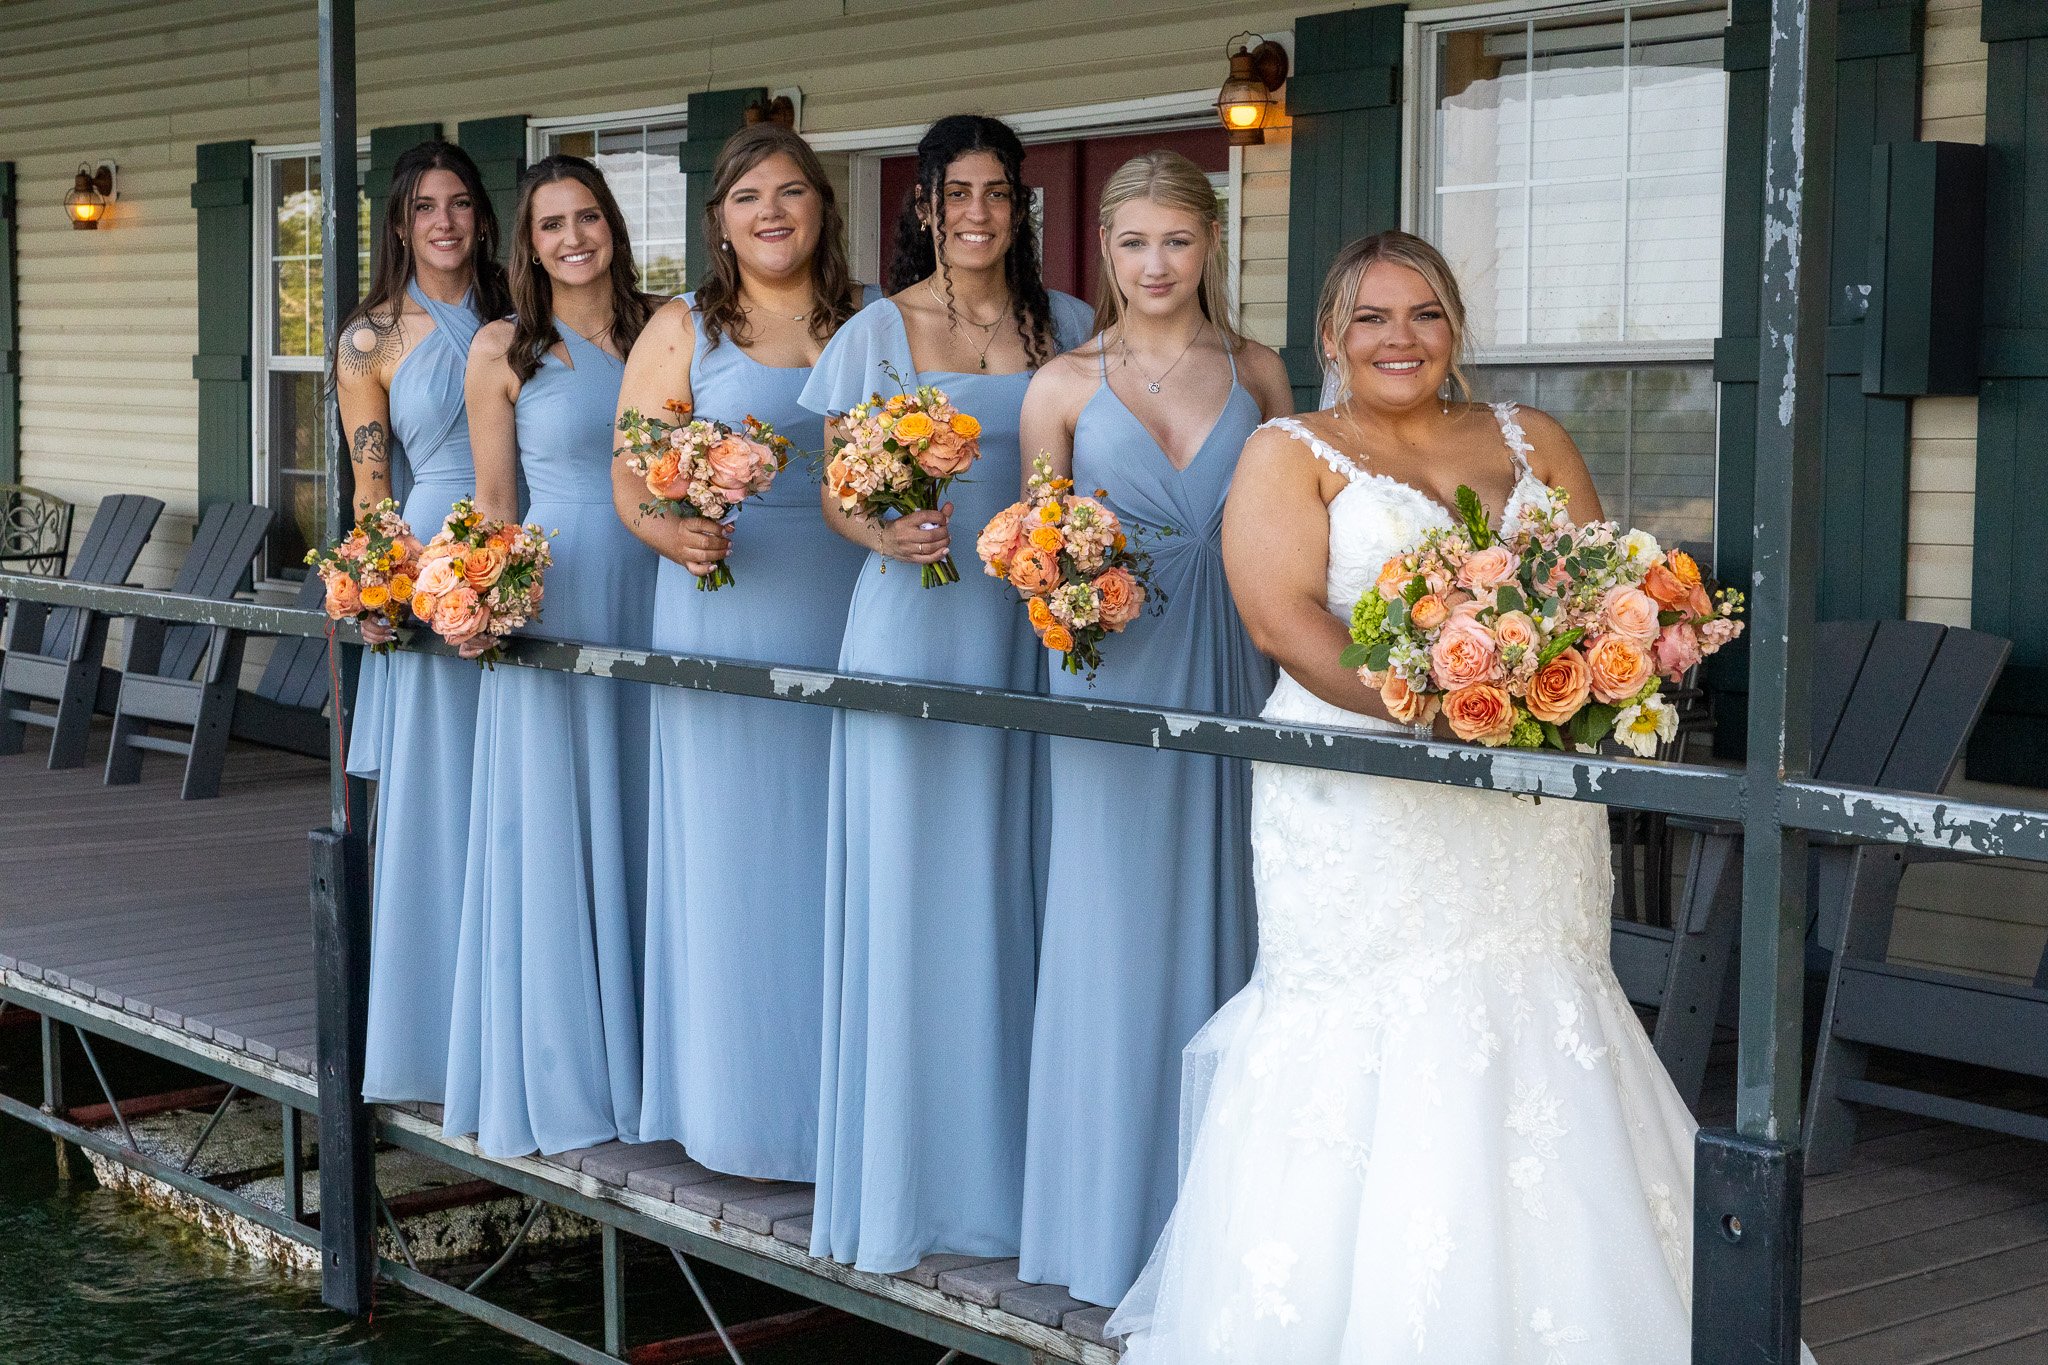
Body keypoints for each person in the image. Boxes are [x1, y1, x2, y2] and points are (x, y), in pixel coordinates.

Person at [1108, 231, 1805, 1363]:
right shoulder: (1291, 451)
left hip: (1523, 803)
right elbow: (1281, 622)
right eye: (1372, 318)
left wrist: (1545, 697)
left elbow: (1595, 588)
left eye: (1423, 314)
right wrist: (1429, 710)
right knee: (1372, 1030)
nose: (1399, 338)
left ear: (1454, 331)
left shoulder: (1532, 439)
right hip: (1360, 799)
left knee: (1542, 1008)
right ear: (1331, 335)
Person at [801, 113, 1093, 1273]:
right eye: (954, 192)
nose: (976, 213)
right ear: (921, 205)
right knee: (919, 888)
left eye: (996, 193)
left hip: (1029, 629)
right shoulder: (878, 330)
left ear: (1020, 205)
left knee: (1023, 877)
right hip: (916, 617)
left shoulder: (1068, 325)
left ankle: (1029, 1167)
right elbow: (834, 494)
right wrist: (883, 524)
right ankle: (916, 1180)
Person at [1012, 149, 1290, 1308]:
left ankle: (1232, 1226)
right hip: (1111, 680)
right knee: (1112, 933)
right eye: (1132, 243)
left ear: (1210, 246)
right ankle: (1104, 1223)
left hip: (1242, 667)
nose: (1155, 263)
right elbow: (1033, 554)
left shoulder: (1264, 372)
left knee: (1248, 919)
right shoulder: (1061, 385)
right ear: (1104, 254)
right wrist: (1063, 580)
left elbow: (1301, 529)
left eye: (1176, 240)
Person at [620, 123, 874, 1180]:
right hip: (720, 606)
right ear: (719, 222)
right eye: (747, 198)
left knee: (844, 850)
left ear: (822, 208)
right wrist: (671, 530)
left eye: (791, 193)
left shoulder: (870, 325)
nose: (771, 212)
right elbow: (632, 477)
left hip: (848, 603)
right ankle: (736, 1112)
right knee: (732, 859)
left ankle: (845, 1107)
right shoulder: (683, 329)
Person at [441, 155, 659, 1158]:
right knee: (564, 824)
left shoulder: (669, 328)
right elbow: (493, 504)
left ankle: (662, 1056)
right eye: (548, 225)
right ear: (524, 245)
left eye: (586, 217)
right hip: (563, 588)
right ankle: (568, 1071)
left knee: (655, 815)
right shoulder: (502, 349)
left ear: (611, 222)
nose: (572, 238)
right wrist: (480, 598)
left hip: (667, 588)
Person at [333, 140, 511, 1106]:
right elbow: (372, 489)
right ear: (401, 224)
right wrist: (382, 590)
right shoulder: (371, 338)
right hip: (438, 572)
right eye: (424, 207)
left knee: (523, 794)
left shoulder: (516, 313)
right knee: (443, 803)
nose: (444, 221)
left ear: (482, 216)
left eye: (460, 203)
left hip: (534, 548)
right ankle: (436, 1034)